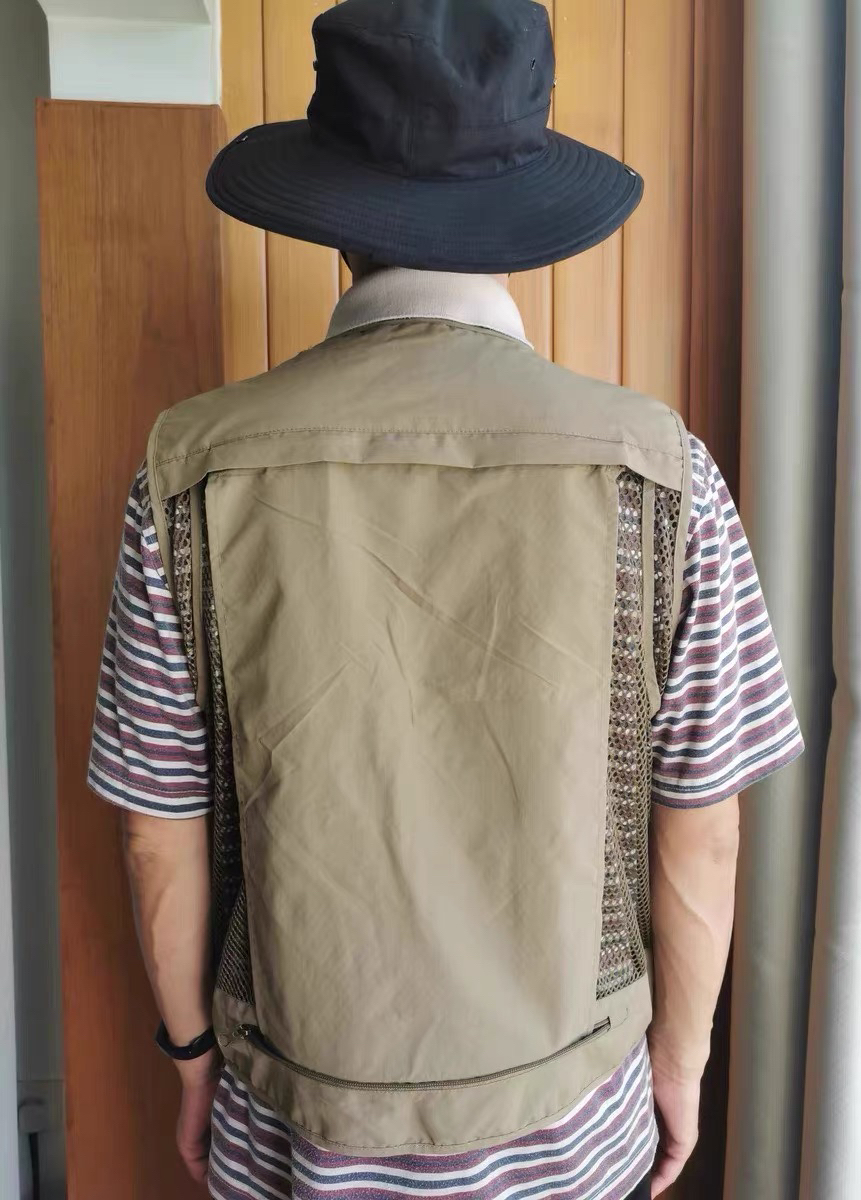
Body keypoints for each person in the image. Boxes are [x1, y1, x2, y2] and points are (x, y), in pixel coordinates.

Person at [86, 2, 804, 1198]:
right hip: (572, 1118)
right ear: (516, 216)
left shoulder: (188, 469)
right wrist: (682, 1060)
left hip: (298, 1111)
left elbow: (154, 827)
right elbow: (705, 820)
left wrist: (191, 1057)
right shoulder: (661, 471)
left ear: (334, 220)